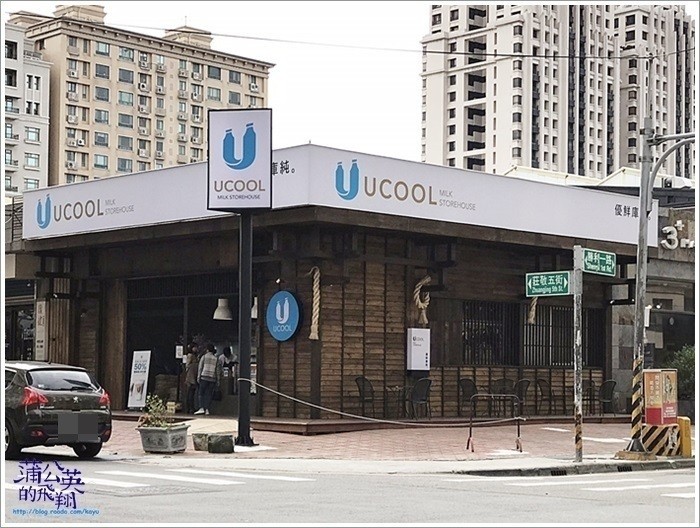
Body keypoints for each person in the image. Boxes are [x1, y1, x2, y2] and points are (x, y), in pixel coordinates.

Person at [195, 344, 221, 415]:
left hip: (204, 377)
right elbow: (218, 370)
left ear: (207, 350)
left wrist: (198, 377)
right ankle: (207, 409)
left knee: (201, 393)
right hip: (212, 378)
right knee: (209, 394)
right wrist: (218, 380)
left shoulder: (204, 357)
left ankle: (201, 408)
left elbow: (200, 367)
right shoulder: (216, 358)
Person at [184, 344, 199, 414]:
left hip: (193, 374)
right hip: (191, 375)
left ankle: (191, 407)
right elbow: (187, 365)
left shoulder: (194, 356)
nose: (196, 348)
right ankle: (190, 408)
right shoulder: (190, 355)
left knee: (191, 392)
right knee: (190, 392)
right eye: (195, 347)